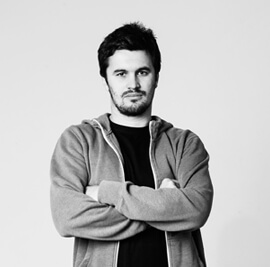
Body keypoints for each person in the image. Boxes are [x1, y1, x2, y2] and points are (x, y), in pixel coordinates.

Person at [50, 22, 213, 267]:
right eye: (121, 73)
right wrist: (164, 204)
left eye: (142, 72)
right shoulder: (79, 141)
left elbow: (197, 209)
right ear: (106, 78)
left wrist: (107, 193)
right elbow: (67, 218)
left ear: (156, 76)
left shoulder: (185, 144)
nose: (133, 84)